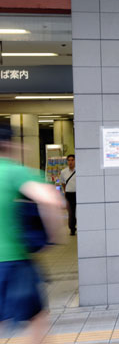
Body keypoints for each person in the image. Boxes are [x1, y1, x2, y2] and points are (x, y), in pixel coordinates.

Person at [0, 124, 65, 343]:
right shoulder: (13, 171)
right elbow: (50, 199)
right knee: (36, 320)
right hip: (14, 261)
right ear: (10, 144)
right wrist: (51, 235)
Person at [60, 154, 77, 236]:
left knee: (77, 212)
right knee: (71, 212)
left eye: (72, 160)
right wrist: (65, 191)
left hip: (78, 194)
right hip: (69, 194)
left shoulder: (79, 171)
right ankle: (72, 229)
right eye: (69, 160)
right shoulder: (63, 172)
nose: (70, 162)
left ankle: (77, 225)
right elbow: (63, 183)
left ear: (75, 161)